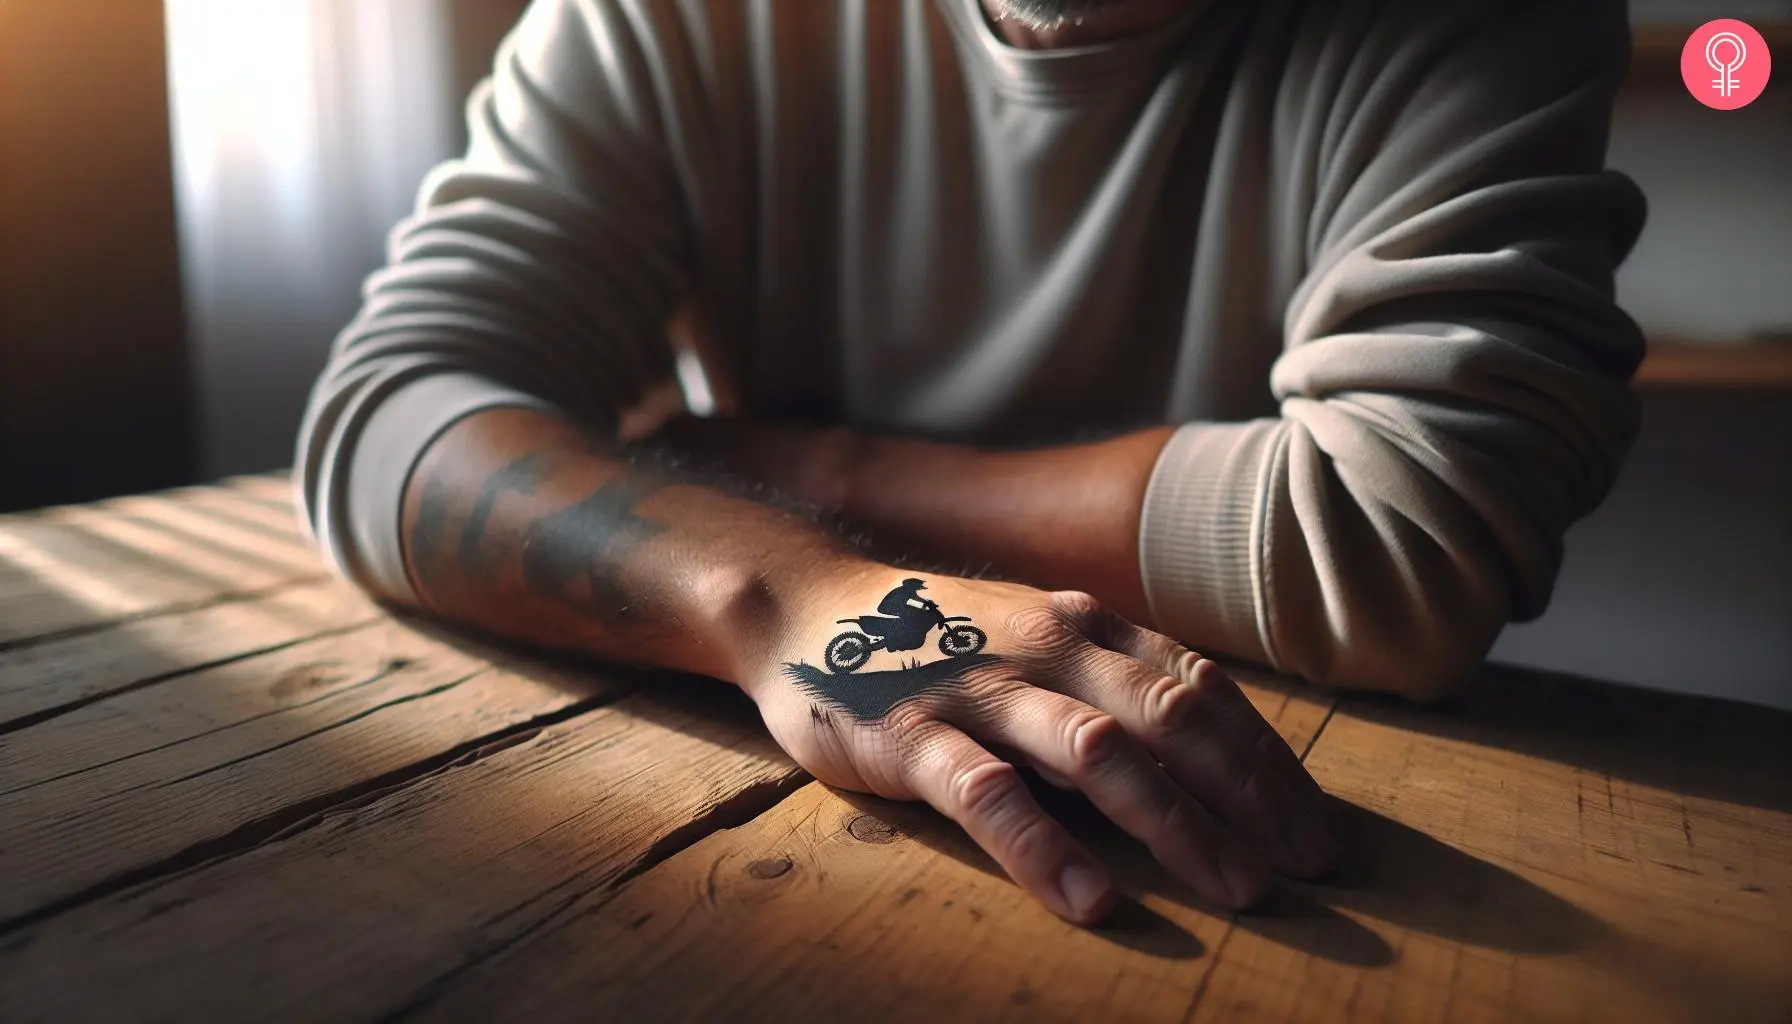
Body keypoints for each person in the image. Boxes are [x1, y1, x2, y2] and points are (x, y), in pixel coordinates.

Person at [295, 0, 1645, 924]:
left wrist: (785, 473)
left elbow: (1408, 533)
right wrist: (780, 598)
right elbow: (393, 408)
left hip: (1276, 821)